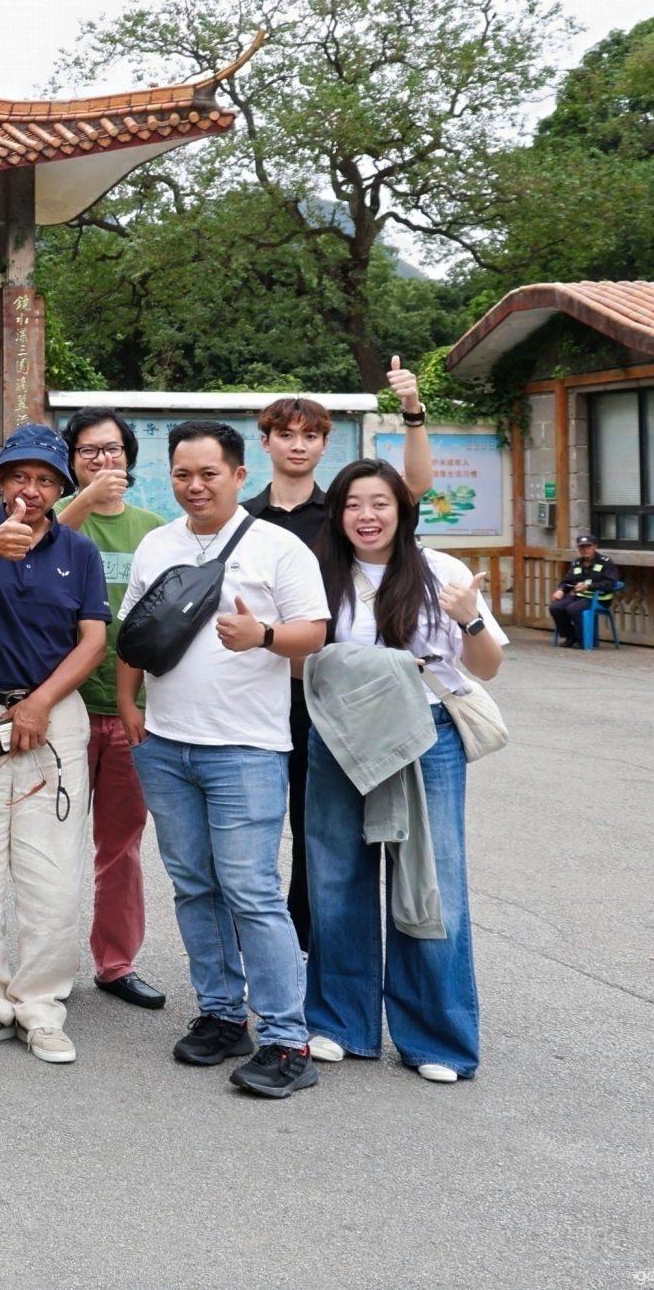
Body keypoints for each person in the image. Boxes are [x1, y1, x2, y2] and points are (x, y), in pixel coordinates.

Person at [119, 420, 330, 1099]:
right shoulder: (157, 544)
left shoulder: (278, 546)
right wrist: (127, 703)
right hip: (165, 744)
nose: (195, 485)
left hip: (246, 749)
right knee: (193, 885)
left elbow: (314, 634)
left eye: (208, 473)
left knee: (252, 891)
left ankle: (287, 1039)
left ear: (239, 475)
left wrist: (262, 634)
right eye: (182, 474)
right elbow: (133, 632)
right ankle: (220, 1014)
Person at [304, 458, 502, 1083]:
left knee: (430, 880)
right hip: (340, 735)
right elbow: (295, 660)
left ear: (402, 509)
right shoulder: (315, 573)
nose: (367, 516)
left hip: (428, 733)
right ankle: (339, 1022)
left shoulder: (442, 571)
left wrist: (470, 616)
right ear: (337, 514)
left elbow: (486, 667)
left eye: (380, 503)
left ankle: (437, 1039)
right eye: (353, 504)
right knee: (336, 876)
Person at [0, 423, 108, 1064]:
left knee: (53, 870)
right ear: (0, 482)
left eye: (43, 480)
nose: (30, 490)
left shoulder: (79, 552)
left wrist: (40, 703)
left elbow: (92, 639)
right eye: (18, 476)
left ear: (60, 488)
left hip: (54, 717)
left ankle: (41, 1004)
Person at [247, 370, 432, 952]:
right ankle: (257, 946)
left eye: (310, 435)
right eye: (285, 434)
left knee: (315, 827)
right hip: (254, 690)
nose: (297, 445)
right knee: (251, 827)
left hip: (322, 693)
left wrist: (412, 411)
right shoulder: (244, 519)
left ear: (325, 444)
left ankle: (307, 944)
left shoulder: (340, 513)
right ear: (265, 442)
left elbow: (413, 488)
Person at [53, 408, 168, 1012]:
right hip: (62, 708)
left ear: (129, 457)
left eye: (113, 450)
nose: (103, 460)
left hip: (131, 712)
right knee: (50, 843)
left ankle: (116, 961)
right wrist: (84, 500)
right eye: (89, 451)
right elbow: (38, 545)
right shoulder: (55, 519)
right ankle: (48, 962)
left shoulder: (154, 531)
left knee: (120, 846)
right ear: (72, 461)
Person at [547, 533, 623, 647]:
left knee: (573, 609)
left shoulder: (606, 562)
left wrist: (588, 586)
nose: (585, 550)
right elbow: (567, 581)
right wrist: (561, 590)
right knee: (555, 607)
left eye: (588, 546)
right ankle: (571, 636)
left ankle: (584, 639)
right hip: (578, 596)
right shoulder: (576, 563)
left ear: (595, 547)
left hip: (599, 598)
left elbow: (610, 583)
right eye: (582, 547)